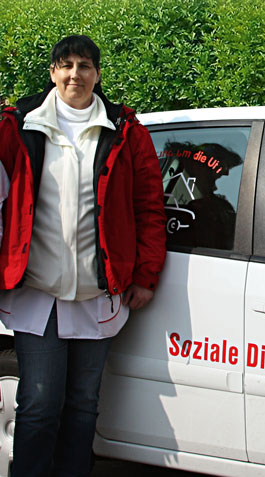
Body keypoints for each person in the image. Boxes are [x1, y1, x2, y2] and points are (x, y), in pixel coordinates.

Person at [0, 35, 166, 476]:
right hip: (37, 292)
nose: (76, 74)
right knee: (38, 404)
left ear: (97, 73)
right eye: (67, 65)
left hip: (99, 293)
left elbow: (149, 207)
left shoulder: (125, 132)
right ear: (52, 71)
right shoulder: (18, 126)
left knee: (82, 406)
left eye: (85, 65)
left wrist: (145, 275)